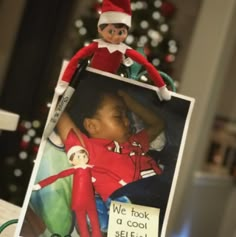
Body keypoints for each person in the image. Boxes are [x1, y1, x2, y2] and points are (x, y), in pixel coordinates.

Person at [56, 83, 165, 203]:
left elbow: (158, 124)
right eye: (118, 116)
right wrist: (59, 96)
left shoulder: (133, 141)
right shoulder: (90, 150)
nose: (128, 122)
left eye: (127, 115)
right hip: (131, 204)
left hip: (161, 189)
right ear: (92, 126)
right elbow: (61, 116)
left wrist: (130, 102)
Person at [55, 0, 171, 101]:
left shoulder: (123, 49)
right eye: (111, 31)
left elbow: (147, 65)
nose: (115, 37)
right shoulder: (97, 45)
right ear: (100, 29)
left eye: (121, 32)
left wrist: (162, 87)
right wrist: (64, 82)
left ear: (126, 32)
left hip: (108, 85)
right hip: (89, 81)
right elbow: (76, 59)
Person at [33, 130, 103, 237]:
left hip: (89, 199)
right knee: (81, 220)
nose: (82, 158)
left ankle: (96, 234)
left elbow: (104, 172)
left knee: (93, 219)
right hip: (78, 200)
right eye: (78, 157)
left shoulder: (89, 168)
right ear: (71, 161)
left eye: (84, 156)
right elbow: (57, 176)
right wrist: (40, 185)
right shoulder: (74, 170)